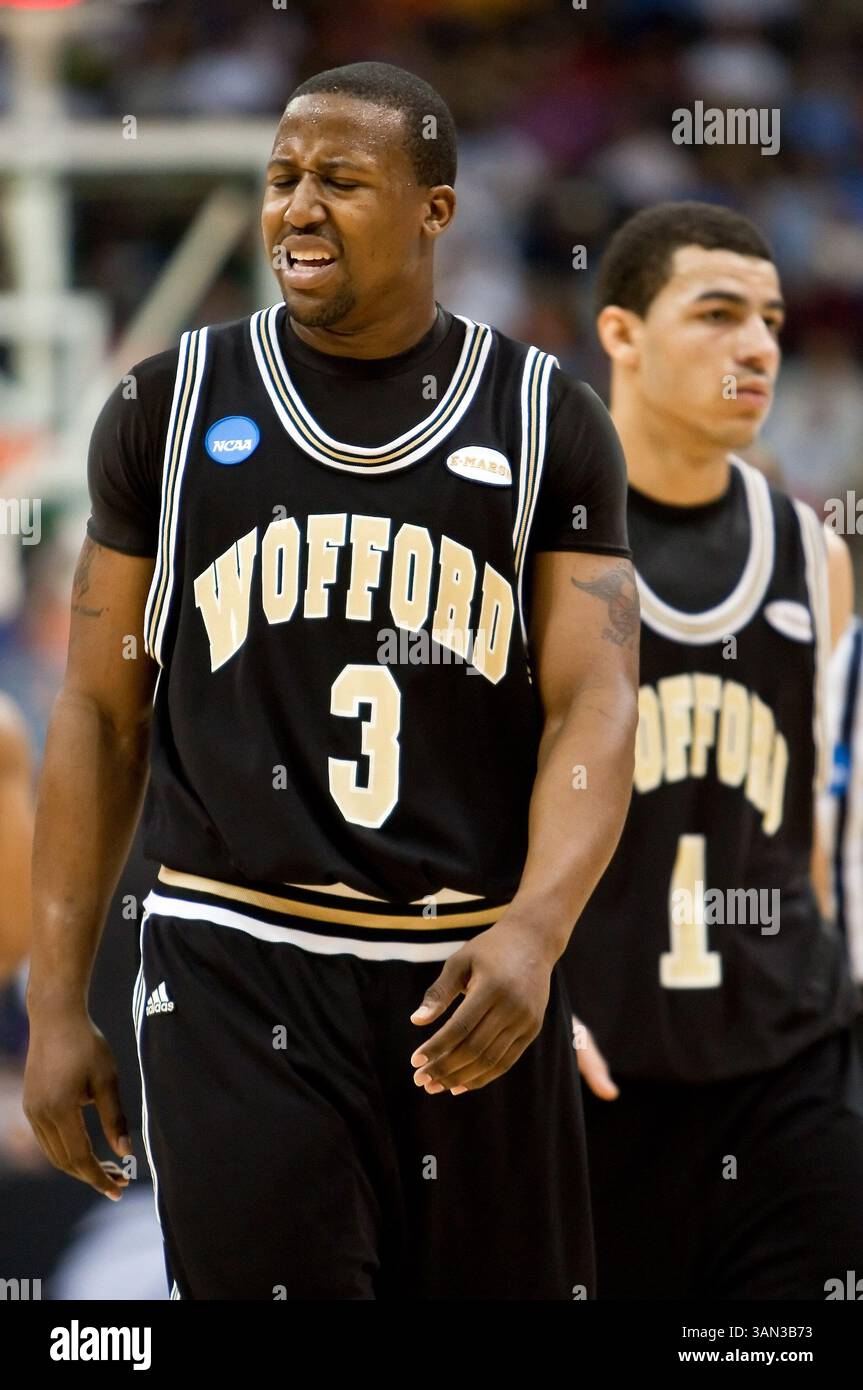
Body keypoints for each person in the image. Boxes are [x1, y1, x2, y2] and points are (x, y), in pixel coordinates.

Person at [23, 62, 639, 1300]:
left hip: (466, 969)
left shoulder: (544, 420)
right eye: (282, 179)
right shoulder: (166, 406)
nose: (298, 206)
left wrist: (535, 928)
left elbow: (596, 699)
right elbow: (97, 710)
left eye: (340, 180)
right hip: (232, 960)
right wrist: (54, 1002)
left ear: (434, 210)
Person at [563, 201, 863, 1300]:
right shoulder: (535, 539)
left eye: (772, 320)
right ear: (621, 333)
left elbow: (819, 824)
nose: (756, 346)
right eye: (717, 312)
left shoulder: (808, 554)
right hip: (586, 1070)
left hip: (783, 1065)